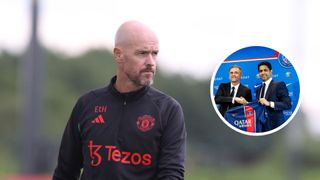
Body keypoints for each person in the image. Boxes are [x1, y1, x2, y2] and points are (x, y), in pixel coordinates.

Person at [53, 21, 186, 180]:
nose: (151, 62)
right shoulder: (87, 104)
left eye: (154, 53)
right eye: (142, 53)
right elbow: (65, 171)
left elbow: (171, 174)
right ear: (118, 54)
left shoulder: (168, 109)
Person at [256, 61, 291, 131]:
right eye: (260, 71)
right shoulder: (258, 89)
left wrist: (269, 103)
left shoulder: (279, 85)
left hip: (276, 127)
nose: (263, 73)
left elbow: (287, 104)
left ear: (271, 72)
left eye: (265, 70)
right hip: (262, 127)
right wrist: (247, 103)